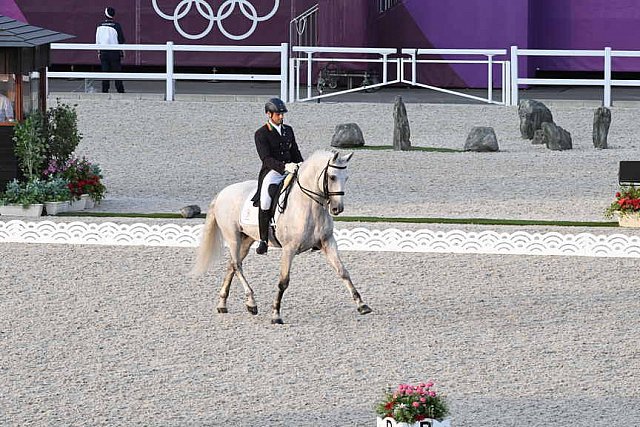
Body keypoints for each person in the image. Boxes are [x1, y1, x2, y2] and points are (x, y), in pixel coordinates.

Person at [251, 98, 304, 255]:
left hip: (291, 168)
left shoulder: (288, 130)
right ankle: (263, 240)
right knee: (266, 200)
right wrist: (284, 167)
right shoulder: (261, 134)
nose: (281, 117)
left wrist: (301, 164)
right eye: (278, 114)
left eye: (282, 114)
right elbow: (266, 159)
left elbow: (294, 150)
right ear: (269, 114)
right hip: (273, 171)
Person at [96, 6, 125, 93]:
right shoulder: (116, 26)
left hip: (103, 51)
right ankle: (120, 89)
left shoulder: (99, 26)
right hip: (114, 52)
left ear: (105, 15)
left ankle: (105, 90)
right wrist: (123, 51)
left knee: (105, 71)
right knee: (117, 72)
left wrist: (98, 51)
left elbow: (98, 39)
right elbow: (121, 40)